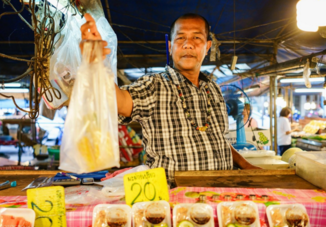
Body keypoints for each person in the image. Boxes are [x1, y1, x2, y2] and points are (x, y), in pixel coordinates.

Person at [80, 13, 260, 187]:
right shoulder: (154, 86)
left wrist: (246, 165)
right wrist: (98, 66)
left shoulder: (213, 89)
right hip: (172, 199)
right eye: (180, 38)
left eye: (197, 38)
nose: (188, 44)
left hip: (220, 195)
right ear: (170, 46)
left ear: (208, 47)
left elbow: (218, 140)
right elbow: (119, 102)